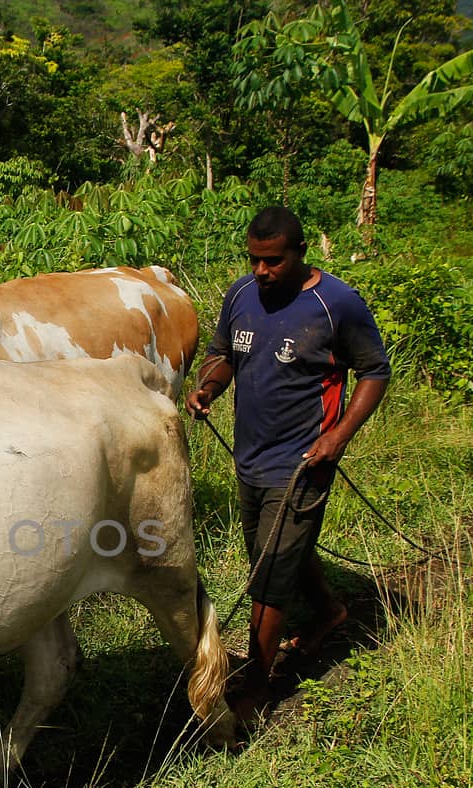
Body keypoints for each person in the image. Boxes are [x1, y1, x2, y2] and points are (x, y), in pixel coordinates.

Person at [184, 207, 389, 721]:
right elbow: (223, 352)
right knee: (274, 553)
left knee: (269, 575)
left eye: (272, 262)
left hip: (302, 464)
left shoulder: (336, 304)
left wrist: (339, 437)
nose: (261, 271)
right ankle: (330, 611)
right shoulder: (240, 295)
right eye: (253, 260)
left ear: (300, 253)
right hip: (248, 458)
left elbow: (374, 372)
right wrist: (208, 386)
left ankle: (257, 685)